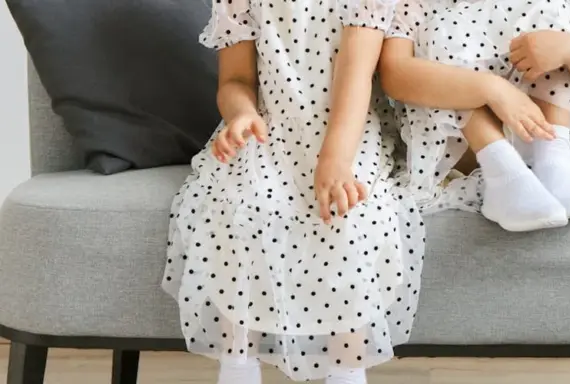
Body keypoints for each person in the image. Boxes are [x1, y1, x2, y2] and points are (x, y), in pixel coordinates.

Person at [162, 1, 424, 383]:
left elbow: (355, 73)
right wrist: (241, 114)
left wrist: (334, 160)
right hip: (271, 128)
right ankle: (237, 366)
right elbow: (236, 81)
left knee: (345, 214)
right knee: (236, 205)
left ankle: (346, 371)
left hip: (348, 132)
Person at [378, 0, 570, 231]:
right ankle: (503, 171)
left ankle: (553, 161)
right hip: (467, 150)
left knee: (551, 7)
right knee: (441, 29)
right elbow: (395, 75)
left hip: (541, 135)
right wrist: (493, 90)